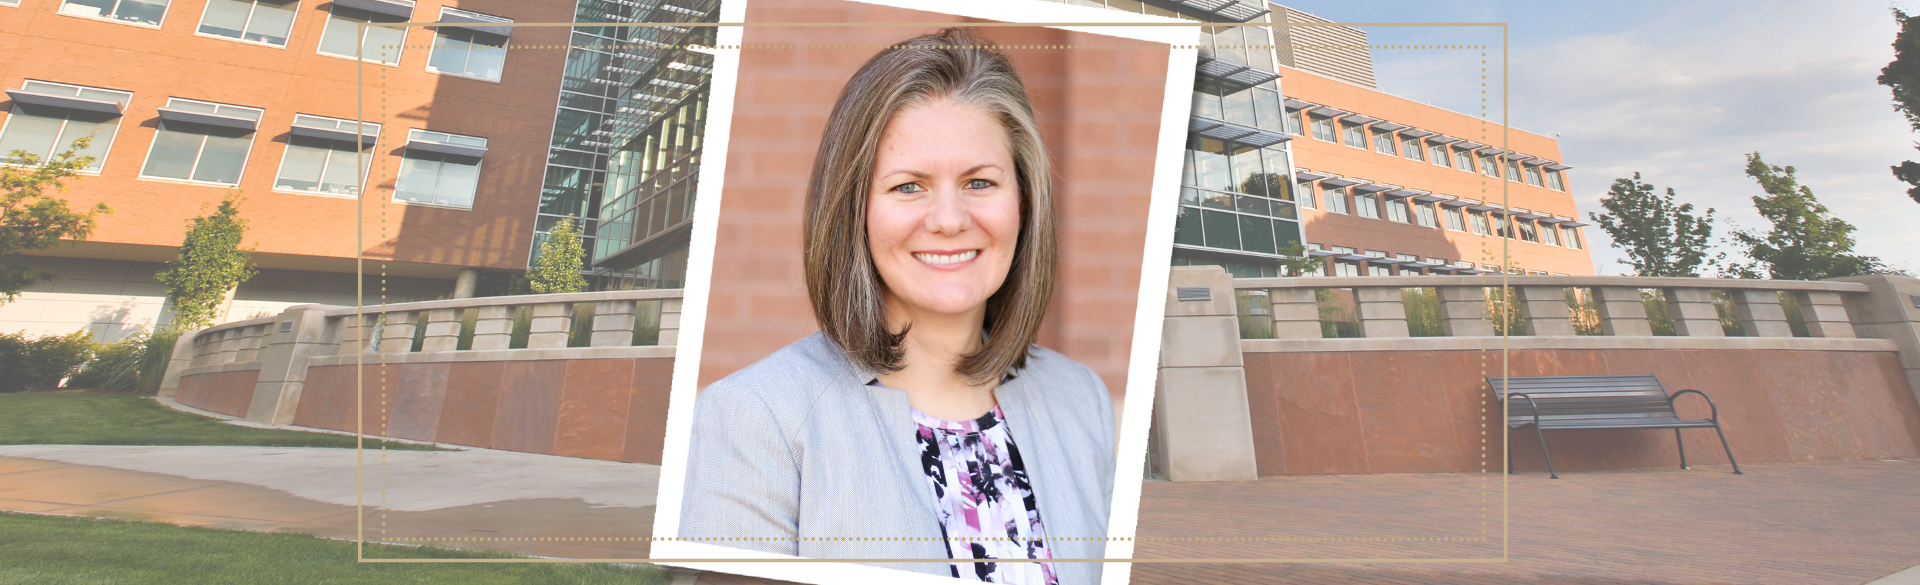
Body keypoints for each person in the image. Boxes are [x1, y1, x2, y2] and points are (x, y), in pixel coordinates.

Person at [678, 28, 1116, 585]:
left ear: (1023, 202)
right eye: (909, 187)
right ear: (853, 209)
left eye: (980, 182)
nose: (950, 219)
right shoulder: (754, 422)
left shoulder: (1083, 401)